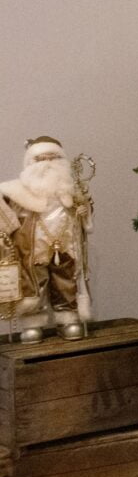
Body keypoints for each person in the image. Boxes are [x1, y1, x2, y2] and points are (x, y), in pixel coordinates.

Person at [0, 137, 94, 340]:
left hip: (65, 246)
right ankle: (32, 323)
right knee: (34, 286)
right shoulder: (16, 193)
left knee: (66, 281)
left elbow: (83, 213)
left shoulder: (70, 191)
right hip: (32, 249)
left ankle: (67, 319)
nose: (48, 164)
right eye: (42, 159)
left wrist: (83, 212)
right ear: (30, 163)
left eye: (53, 158)